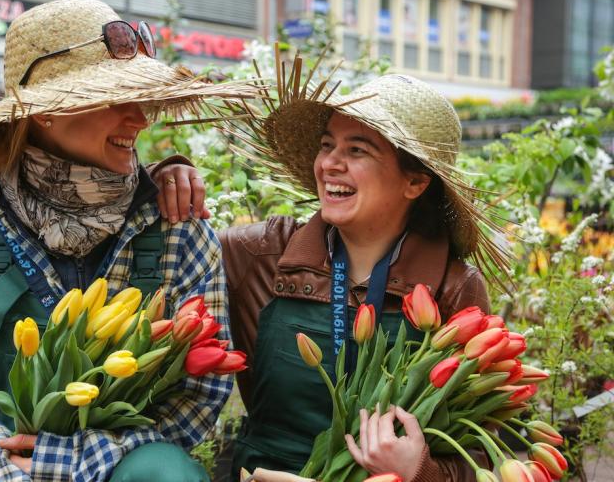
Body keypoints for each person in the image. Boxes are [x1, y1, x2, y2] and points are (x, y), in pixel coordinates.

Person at [0, 0, 256, 482]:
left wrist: (74, 460)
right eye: (116, 98)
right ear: (45, 112)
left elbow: (202, 394)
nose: (140, 119)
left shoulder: (180, 236)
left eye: (141, 96)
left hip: (134, 467)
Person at [153, 70, 505, 481]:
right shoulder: (260, 255)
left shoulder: (453, 287)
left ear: (415, 181)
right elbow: (141, 244)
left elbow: (483, 453)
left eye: (357, 150)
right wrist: (162, 178)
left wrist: (420, 471)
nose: (330, 165)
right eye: (327, 145)